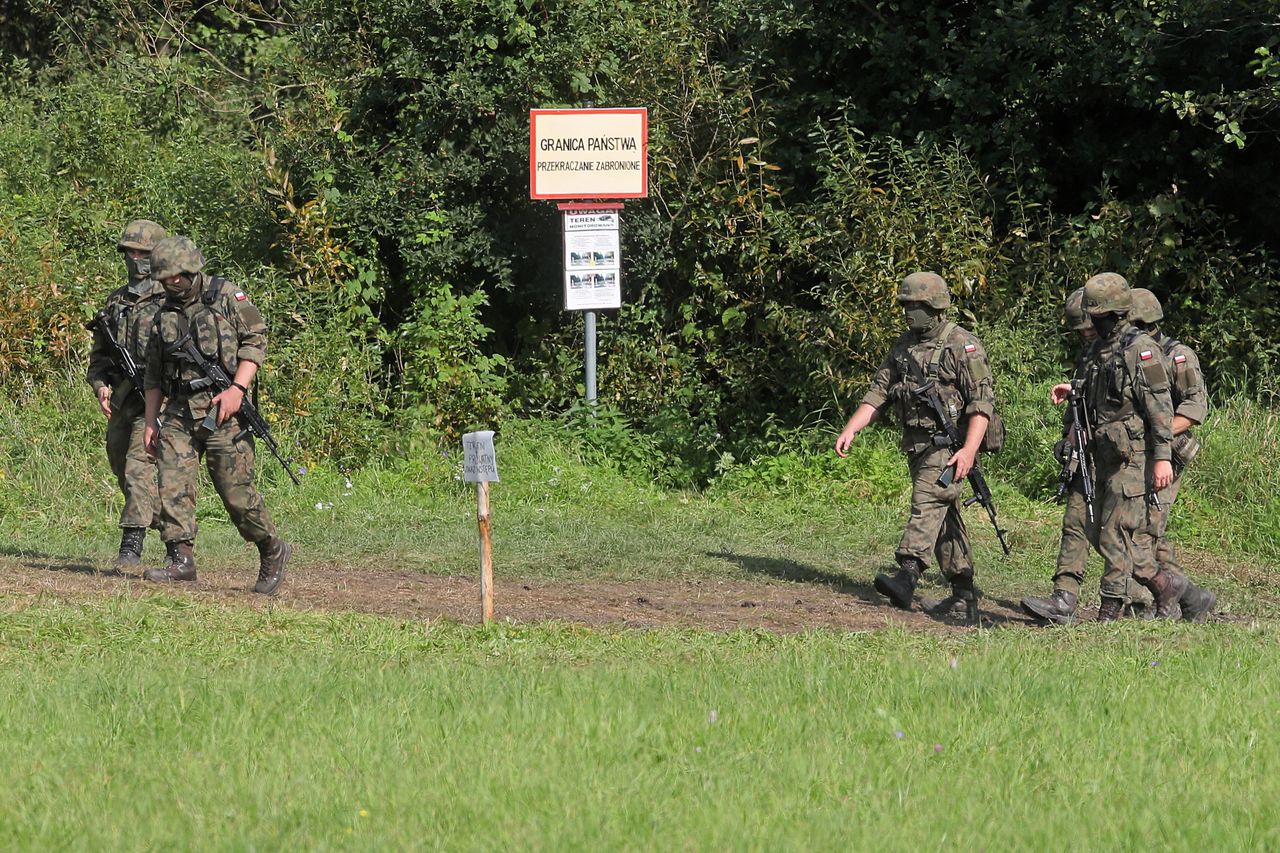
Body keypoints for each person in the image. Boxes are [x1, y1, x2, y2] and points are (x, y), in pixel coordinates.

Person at [834, 271, 996, 622]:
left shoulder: (961, 345)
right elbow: (879, 392)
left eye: (917, 305)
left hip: (950, 445)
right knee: (944, 516)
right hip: (916, 443)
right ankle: (963, 590)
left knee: (928, 501)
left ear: (936, 307)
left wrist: (968, 451)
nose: (909, 312)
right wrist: (852, 428)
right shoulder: (903, 346)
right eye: (905, 305)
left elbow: (981, 404)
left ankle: (908, 573)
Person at [140, 235, 292, 593]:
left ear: (193, 268)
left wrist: (237, 390)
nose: (172, 281)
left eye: (178, 274)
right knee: (171, 485)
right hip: (180, 410)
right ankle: (181, 561)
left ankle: (272, 548)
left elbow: (256, 340)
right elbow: (152, 373)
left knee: (236, 493)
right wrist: (150, 421)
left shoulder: (226, 297)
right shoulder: (162, 312)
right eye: (165, 277)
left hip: (225, 409)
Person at [1044, 273, 1181, 622]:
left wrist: (1161, 460)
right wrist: (1072, 393)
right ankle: (1168, 587)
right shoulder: (1095, 351)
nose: (1092, 323)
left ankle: (1111, 606)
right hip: (1101, 453)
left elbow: (1160, 410)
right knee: (1095, 529)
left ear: (1117, 313)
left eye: (1099, 316)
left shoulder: (1141, 350)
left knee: (1114, 531)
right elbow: (1093, 399)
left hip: (1133, 456)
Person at [1128, 288, 1217, 621]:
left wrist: (1158, 433)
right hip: (1137, 452)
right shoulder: (1131, 351)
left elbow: (1195, 408)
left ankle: (1162, 600)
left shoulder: (1177, 355)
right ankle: (1189, 598)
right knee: (1148, 528)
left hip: (1167, 453)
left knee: (1149, 526)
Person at [86, 219, 168, 570]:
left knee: (138, 470)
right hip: (123, 400)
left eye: (144, 253)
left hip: (157, 400)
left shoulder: (170, 300)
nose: (136, 260)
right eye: (130, 253)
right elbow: (99, 356)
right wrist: (101, 385)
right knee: (122, 468)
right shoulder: (116, 301)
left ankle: (130, 548)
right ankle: (173, 528)